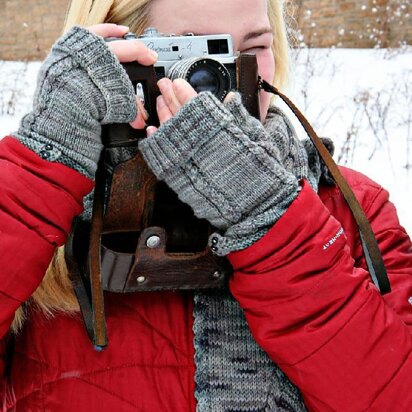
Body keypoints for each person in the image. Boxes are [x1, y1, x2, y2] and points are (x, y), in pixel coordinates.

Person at [0, 0, 411, 410]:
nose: (225, 75)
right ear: (115, 61)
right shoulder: (51, 212)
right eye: (196, 53)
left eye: (254, 48)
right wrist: (43, 168)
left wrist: (272, 218)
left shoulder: (348, 207)